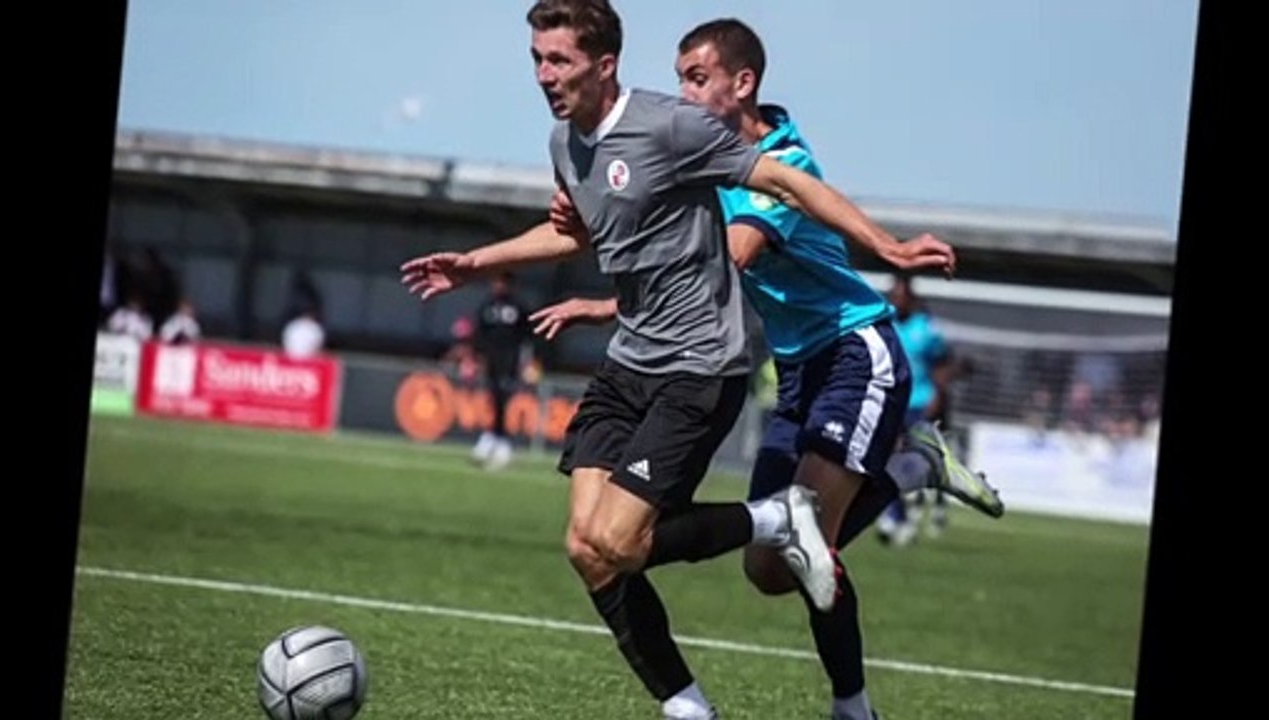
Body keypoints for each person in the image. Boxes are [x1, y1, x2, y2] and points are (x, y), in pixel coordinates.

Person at [400, 2, 956, 717]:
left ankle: (812, 539)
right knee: (587, 546)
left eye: (558, 60)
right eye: (537, 59)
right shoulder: (564, 142)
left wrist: (887, 246)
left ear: (604, 65)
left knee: (624, 542)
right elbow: (590, 232)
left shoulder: (672, 126)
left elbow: (781, 186)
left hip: (706, 364)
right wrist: (477, 263)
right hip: (635, 362)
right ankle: (688, 704)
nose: (543, 74)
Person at [531, 18, 1002, 719]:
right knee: (770, 569)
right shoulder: (702, 160)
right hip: (794, 370)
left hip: (854, 353)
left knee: (812, 539)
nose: (682, 94)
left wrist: (603, 302)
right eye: (680, 77)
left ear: (741, 83)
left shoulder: (784, 163)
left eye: (697, 78)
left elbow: (724, 256)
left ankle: (853, 705)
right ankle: (911, 471)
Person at [875, 274, 992, 546]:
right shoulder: (885, 326)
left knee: (912, 464)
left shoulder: (926, 329)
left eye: (901, 295)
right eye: (893, 295)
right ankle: (896, 516)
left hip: (920, 403)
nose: (896, 300)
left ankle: (914, 514)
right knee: (886, 461)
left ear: (911, 298)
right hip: (891, 402)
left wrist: (939, 395)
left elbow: (944, 364)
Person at [470, 272, 531, 470]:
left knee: (503, 401)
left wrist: (526, 363)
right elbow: (478, 334)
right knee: (494, 399)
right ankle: (493, 438)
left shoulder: (518, 308)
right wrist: (477, 358)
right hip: (491, 363)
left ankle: (499, 441)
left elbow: (528, 337)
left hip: (510, 363)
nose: (497, 286)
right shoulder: (487, 307)